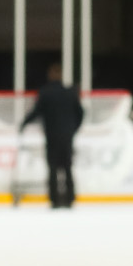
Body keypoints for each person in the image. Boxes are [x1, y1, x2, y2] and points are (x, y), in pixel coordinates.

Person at [21, 62, 83, 209]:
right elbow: (80, 113)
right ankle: (69, 199)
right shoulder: (69, 92)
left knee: (54, 167)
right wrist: (73, 128)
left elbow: (36, 112)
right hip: (67, 135)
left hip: (52, 136)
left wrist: (24, 123)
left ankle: (55, 199)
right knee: (67, 167)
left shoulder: (45, 92)